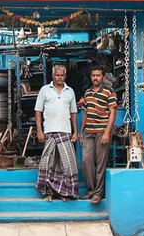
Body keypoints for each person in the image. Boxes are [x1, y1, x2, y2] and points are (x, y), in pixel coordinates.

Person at [34, 64, 79, 202]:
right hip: (50, 132)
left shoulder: (69, 91)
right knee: (48, 164)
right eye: (57, 75)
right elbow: (38, 111)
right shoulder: (44, 90)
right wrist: (39, 131)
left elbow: (73, 113)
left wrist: (75, 131)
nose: (60, 78)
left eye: (62, 75)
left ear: (65, 76)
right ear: (53, 76)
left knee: (67, 165)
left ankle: (65, 193)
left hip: (65, 132)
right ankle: (50, 193)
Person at [80, 64, 117, 204]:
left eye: (98, 75)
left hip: (102, 132)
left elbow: (113, 112)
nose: (95, 78)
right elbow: (85, 112)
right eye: (93, 75)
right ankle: (91, 190)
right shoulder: (88, 92)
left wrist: (107, 132)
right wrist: (81, 131)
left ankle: (98, 193)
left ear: (103, 77)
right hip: (89, 132)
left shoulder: (109, 91)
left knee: (101, 163)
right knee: (86, 160)